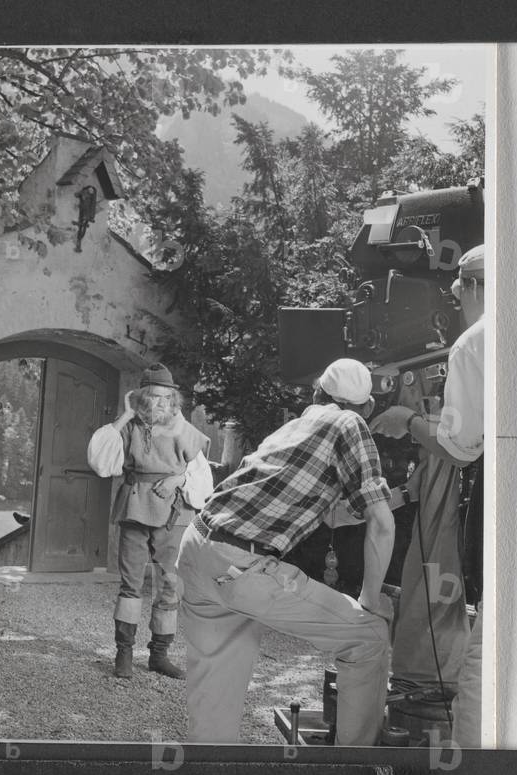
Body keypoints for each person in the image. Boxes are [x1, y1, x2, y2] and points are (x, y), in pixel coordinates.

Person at [176, 358, 396, 745]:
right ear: (368, 406)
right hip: (242, 564)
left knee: (215, 709)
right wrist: (370, 600)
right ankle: (355, 770)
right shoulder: (349, 422)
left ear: (317, 393)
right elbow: (381, 524)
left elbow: (332, 516)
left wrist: (404, 495)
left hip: (198, 547)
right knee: (369, 637)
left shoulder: (295, 428)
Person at [371, 244, 485, 747]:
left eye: (461, 296)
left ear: (473, 287)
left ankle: (467, 766)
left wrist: (410, 421)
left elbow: (459, 446)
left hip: (476, 503)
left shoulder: (474, 344)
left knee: (477, 666)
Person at [87, 363, 213, 680]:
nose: (160, 403)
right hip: (135, 506)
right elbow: (100, 462)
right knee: (130, 584)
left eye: (166, 397)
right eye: (153, 397)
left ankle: (159, 655)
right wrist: (126, 415)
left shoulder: (185, 431)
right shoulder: (128, 427)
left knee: (170, 583)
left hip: (175, 511)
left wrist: (178, 479)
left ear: (173, 399)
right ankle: (124, 653)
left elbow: (203, 479)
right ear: (142, 397)